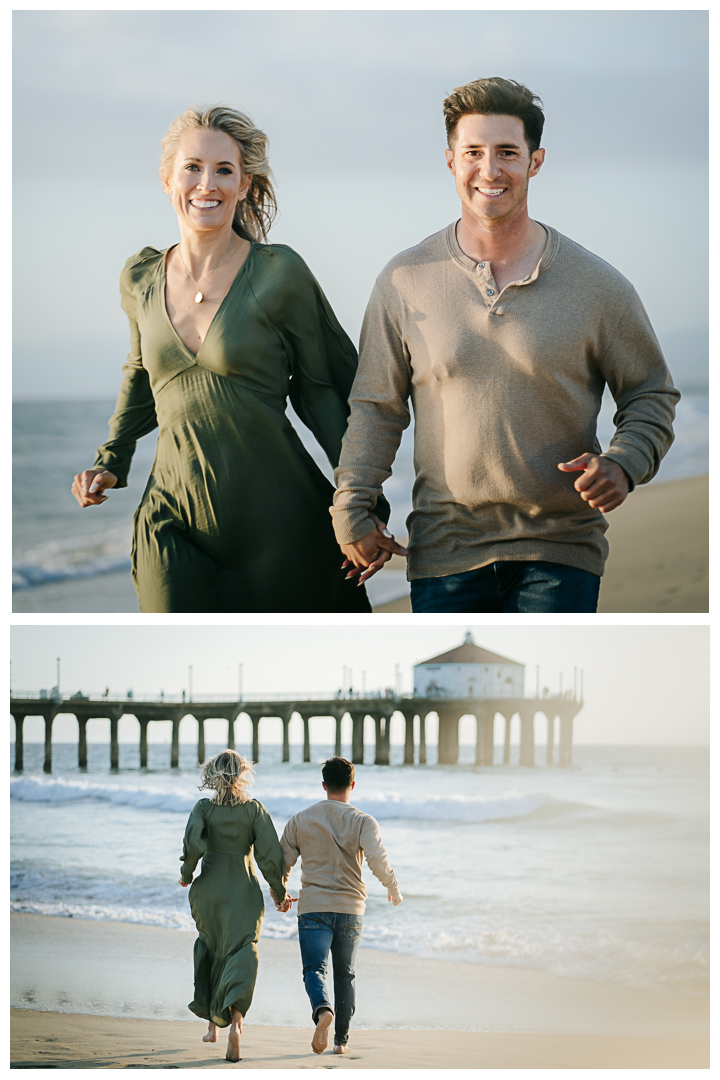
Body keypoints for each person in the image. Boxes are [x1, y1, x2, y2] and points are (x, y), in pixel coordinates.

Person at [331, 77, 680, 613]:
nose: (489, 170)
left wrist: (625, 462)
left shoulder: (599, 287)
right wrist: (352, 507)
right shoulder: (404, 280)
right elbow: (377, 408)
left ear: (535, 162)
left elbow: (650, 394)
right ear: (450, 161)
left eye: (507, 153)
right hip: (444, 552)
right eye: (473, 152)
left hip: (559, 549)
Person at [71, 104, 389, 613]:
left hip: (279, 520)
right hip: (173, 515)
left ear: (243, 186)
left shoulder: (278, 274)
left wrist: (362, 502)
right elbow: (140, 371)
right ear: (167, 178)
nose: (207, 184)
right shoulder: (139, 277)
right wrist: (112, 458)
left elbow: (322, 389)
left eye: (224, 170)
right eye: (193, 168)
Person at [279, 757, 402, 1055]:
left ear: (323, 785)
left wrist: (279, 893)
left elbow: (281, 862)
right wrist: (392, 887)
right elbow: (377, 860)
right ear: (353, 785)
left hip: (313, 907)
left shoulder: (300, 819)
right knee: (345, 974)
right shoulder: (363, 821)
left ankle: (323, 1012)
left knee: (314, 968)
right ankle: (341, 1042)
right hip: (350, 908)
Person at [179, 750, 289, 1062]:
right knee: (242, 951)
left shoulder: (203, 808)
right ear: (243, 774)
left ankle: (212, 1027)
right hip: (244, 892)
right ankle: (235, 1026)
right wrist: (279, 892)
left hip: (210, 891)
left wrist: (186, 875)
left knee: (212, 948)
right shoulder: (254, 809)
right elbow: (270, 856)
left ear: (212, 774)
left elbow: (193, 844)